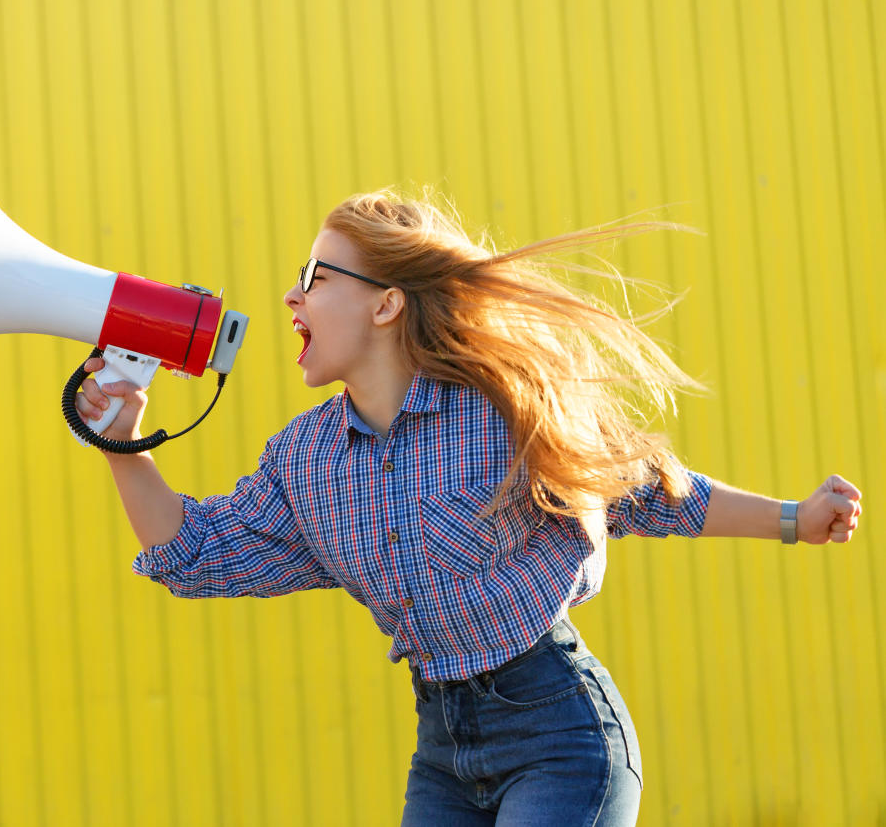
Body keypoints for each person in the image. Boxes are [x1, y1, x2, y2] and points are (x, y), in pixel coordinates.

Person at [73, 189, 863, 826]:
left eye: (316, 277)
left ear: (385, 305)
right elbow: (196, 557)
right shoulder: (303, 463)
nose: (290, 294)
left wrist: (796, 518)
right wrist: (124, 442)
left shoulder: (499, 415)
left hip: (559, 735)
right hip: (443, 753)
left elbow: (657, 498)